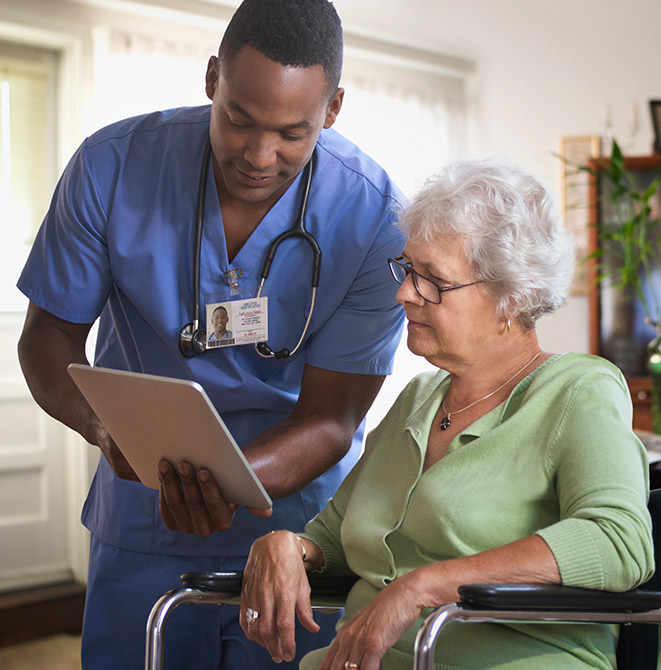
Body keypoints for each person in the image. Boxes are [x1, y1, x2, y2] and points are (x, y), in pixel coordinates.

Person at [15, 1, 406, 668]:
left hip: (296, 533)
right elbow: (47, 341)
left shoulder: (375, 218)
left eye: (293, 132)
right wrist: (104, 428)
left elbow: (333, 418)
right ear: (211, 78)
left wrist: (227, 481)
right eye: (239, 120)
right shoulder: (111, 167)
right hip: (142, 517)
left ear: (333, 109)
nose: (259, 155)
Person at [238, 156, 655, 670]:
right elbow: (338, 535)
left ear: (512, 297)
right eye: (408, 269)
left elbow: (618, 541)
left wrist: (425, 586)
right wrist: (287, 545)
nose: (403, 293)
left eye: (433, 279)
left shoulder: (577, 391)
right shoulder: (419, 397)